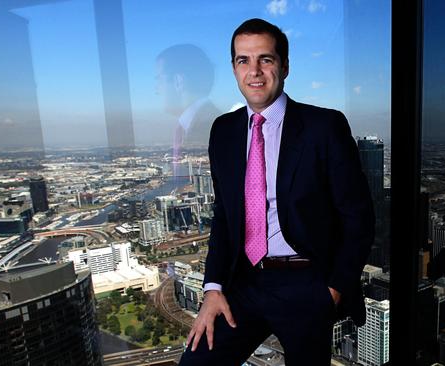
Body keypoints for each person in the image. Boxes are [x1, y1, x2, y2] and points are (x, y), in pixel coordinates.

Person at [178, 18, 374, 366]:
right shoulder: (223, 131)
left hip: (307, 285)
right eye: (243, 60)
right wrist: (212, 288)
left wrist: (331, 292)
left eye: (265, 59)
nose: (254, 71)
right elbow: (224, 216)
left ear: (284, 66)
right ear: (234, 68)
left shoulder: (323, 126)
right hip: (243, 283)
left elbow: (358, 217)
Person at [155, 44, 221, 179]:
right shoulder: (190, 124)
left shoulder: (212, 126)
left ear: (178, 81)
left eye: (159, 79)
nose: (157, 89)